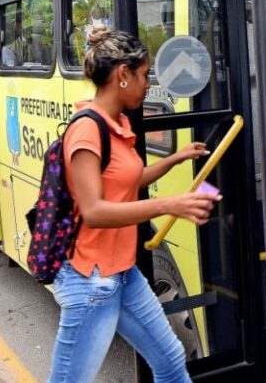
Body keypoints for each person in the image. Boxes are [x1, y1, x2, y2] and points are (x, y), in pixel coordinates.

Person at [47, 24, 219, 383]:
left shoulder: (118, 123)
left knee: (172, 360)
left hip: (123, 274)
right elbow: (94, 210)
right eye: (143, 75)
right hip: (90, 281)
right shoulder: (87, 130)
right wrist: (169, 205)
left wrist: (175, 159)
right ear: (122, 75)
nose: (147, 83)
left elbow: (127, 182)